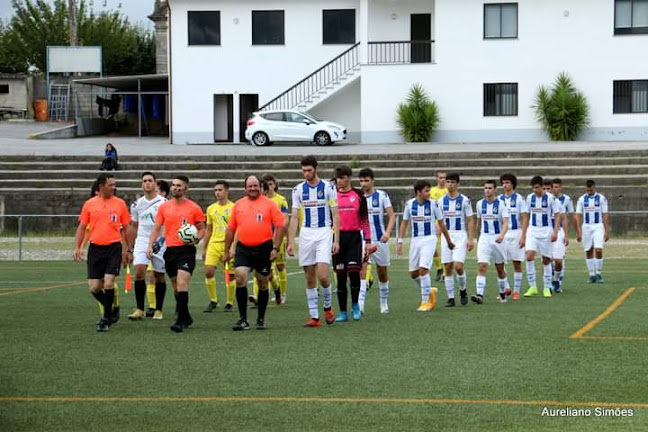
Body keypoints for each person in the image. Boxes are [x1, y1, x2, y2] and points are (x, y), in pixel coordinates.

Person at [223, 175, 286, 331]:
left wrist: (275, 248)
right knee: (240, 277)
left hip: (263, 248)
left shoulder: (269, 205)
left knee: (262, 282)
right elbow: (231, 229)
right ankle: (243, 319)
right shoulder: (238, 205)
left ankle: (260, 318)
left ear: (261, 187)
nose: (252, 188)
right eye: (249, 186)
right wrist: (227, 250)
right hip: (243, 247)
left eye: (255, 186)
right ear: (245, 188)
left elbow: (280, 226)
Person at [287, 155, 340, 328]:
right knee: (309, 276)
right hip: (306, 234)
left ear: (315, 169)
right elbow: (294, 217)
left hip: (324, 232)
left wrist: (336, 240)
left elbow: (335, 214)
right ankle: (314, 317)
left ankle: (327, 306)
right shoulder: (297, 190)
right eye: (303, 170)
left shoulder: (328, 187)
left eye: (309, 170)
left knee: (323, 275)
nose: (306, 173)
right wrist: (290, 241)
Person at [148, 175, 206, 333]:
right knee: (175, 284)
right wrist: (150, 246)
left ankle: (180, 320)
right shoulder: (164, 207)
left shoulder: (193, 208)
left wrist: (196, 240)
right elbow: (156, 228)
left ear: (185, 188)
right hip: (170, 251)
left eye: (179, 186)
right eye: (174, 185)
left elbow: (202, 228)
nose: (175, 188)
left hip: (186, 251)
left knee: (181, 282)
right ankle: (186, 315)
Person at [74, 173, 130, 332]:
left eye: (114, 184)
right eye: (111, 185)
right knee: (94, 288)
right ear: (101, 186)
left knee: (109, 282)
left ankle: (106, 318)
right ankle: (112, 307)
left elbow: (127, 228)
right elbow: (82, 227)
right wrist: (77, 247)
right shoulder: (89, 204)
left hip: (114, 247)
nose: (114, 187)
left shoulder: (120, 204)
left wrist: (128, 249)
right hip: (95, 249)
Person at [397, 179, 454, 312]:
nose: (429, 193)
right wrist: (400, 241)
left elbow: (441, 224)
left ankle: (425, 302)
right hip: (416, 240)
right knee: (413, 273)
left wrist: (449, 241)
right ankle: (429, 291)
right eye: (426, 191)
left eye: (429, 190)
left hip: (430, 239)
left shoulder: (434, 204)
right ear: (418, 192)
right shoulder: (409, 204)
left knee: (423, 269)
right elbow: (404, 223)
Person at [333, 166, 376, 322]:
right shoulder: (333, 195)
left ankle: (356, 305)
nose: (339, 181)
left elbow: (364, 220)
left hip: (354, 238)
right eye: (337, 178)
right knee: (340, 276)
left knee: (353, 272)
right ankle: (343, 311)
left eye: (342, 178)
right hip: (338, 238)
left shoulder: (358, 195)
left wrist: (368, 241)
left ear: (349, 178)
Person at [126, 172, 167, 320]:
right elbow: (134, 226)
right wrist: (130, 248)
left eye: (150, 180)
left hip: (159, 240)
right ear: (141, 184)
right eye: (145, 181)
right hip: (142, 240)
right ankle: (139, 309)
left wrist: (161, 241)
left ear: (155, 184)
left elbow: (167, 224)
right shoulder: (137, 204)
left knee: (159, 275)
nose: (147, 183)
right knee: (139, 271)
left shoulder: (164, 202)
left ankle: (159, 309)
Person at [358, 167, 395, 314]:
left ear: (372, 180)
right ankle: (360, 305)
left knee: (382, 271)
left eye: (366, 180)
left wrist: (387, 233)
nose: (363, 184)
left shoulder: (382, 196)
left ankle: (383, 302)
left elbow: (392, 216)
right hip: (362, 240)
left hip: (380, 240)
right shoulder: (357, 196)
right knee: (362, 269)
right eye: (361, 181)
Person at [522, 176, 562, 298]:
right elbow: (526, 215)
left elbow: (557, 215)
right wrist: (523, 234)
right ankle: (532, 286)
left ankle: (546, 287)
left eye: (537, 187)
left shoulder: (551, 198)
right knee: (529, 256)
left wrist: (555, 232)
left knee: (546, 260)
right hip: (532, 231)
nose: (535, 190)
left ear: (541, 186)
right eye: (533, 188)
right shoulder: (529, 198)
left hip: (546, 231)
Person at [438, 173, 475, 307]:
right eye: (448, 182)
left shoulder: (465, 200)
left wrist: (471, 239)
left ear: (457, 184)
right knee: (447, 267)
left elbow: (470, 219)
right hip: (446, 236)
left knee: (458, 266)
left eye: (453, 182)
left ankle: (463, 290)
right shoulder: (441, 201)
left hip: (460, 235)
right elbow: (439, 221)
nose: (450, 184)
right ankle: (451, 298)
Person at [254, 173, 290, 304]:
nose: (269, 187)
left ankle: (282, 293)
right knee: (263, 268)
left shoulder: (281, 200)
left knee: (280, 266)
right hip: (264, 239)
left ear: (274, 185)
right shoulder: (259, 201)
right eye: (266, 185)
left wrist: (286, 237)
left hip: (278, 239)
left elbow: (285, 220)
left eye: (271, 184)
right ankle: (259, 295)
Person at [202, 180, 237, 313]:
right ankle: (213, 300)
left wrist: (233, 246)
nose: (217, 193)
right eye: (215, 190)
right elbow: (209, 229)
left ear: (227, 191)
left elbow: (237, 228)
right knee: (208, 271)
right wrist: (204, 247)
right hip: (214, 244)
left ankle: (229, 302)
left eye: (220, 190)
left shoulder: (234, 207)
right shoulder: (211, 208)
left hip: (228, 245)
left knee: (231, 275)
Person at [473, 180, 509, 304]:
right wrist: (477, 238)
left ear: (495, 190)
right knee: (482, 266)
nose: (487, 190)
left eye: (489, 188)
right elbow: (479, 221)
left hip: (497, 238)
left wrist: (502, 235)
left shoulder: (501, 204)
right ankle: (479, 295)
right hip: (484, 237)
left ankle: (503, 293)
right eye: (485, 188)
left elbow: (505, 222)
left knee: (500, 268)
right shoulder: (479, 204)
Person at [144, 179, 171, 317]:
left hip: (165, 246)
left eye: (157, 190)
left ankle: (179, 303)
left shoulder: (167, 207)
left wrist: (161, 240)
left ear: (163, 193)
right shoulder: (147, 206)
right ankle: (153, 306)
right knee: (151, 275)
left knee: (173, 277)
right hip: (150, 245)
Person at [499, 173, 528, 300]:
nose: (505, 185)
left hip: (516, 232)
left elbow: (525, 217)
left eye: (508, 182)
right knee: (500, 262)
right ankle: (505, 287)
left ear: (513, 184)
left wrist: (523, 236)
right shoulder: (499, 199)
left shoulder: (520, 199)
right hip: (502, 233)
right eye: (504, 182)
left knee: (517, 262)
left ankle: (516, 291)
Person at [574, 180, 609, 283]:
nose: (589, 192)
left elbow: (605, 214)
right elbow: (577, 215)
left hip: (598, 226)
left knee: (598, 249)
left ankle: (598, 273)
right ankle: (591, 275)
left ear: (594, 188)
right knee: (588, 250)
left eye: (591, 190)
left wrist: (607, 231)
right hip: (586, 227)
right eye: (588, 190)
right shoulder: (581, 199)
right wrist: (578, 231)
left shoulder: (601, 198)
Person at [551, 178, 574, 293]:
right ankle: (552, 282)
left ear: (560, 187)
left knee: (560, 259)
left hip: (559, 232)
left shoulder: (566, 200)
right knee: (548, 260)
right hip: (547, 232)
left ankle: (558, 282)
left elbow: (567, 217)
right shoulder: (547, 200)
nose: (554, 189)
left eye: (557, 187)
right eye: (553, 187)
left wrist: (566, 234)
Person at [429, 171, 447, 281]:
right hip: (433, 221)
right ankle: (439, 267)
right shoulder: (432, 191)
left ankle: (445, 272)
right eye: (440, 178)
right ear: (437, 179)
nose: (442, 180)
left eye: (444, 178)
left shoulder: (448, 191)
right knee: (432, 247)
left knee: (444, 247)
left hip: (444, 222)